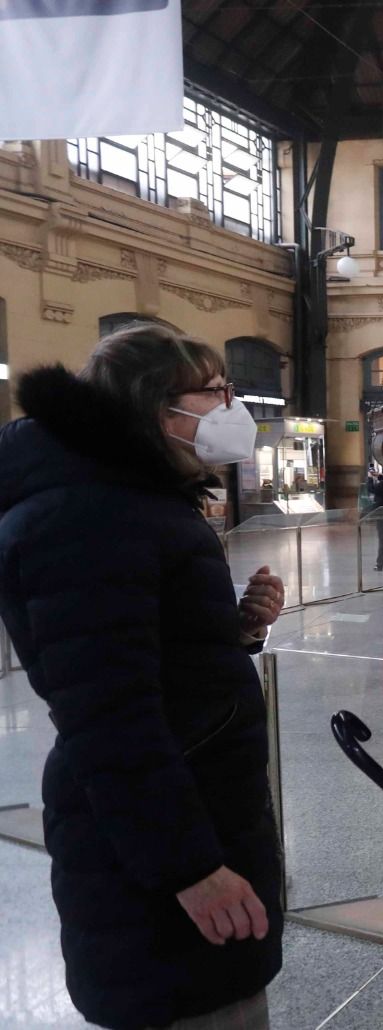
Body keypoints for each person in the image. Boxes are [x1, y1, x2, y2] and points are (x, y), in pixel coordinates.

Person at [0, 323, 286, 1030]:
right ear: (162, 407)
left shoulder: (129, 499)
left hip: (192, 810)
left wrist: (235, 631)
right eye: (214, 391)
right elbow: (109, 717)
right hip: (157, 854)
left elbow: (149, 659)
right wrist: (190, 870)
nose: (230, 405)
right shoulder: (89, 516)